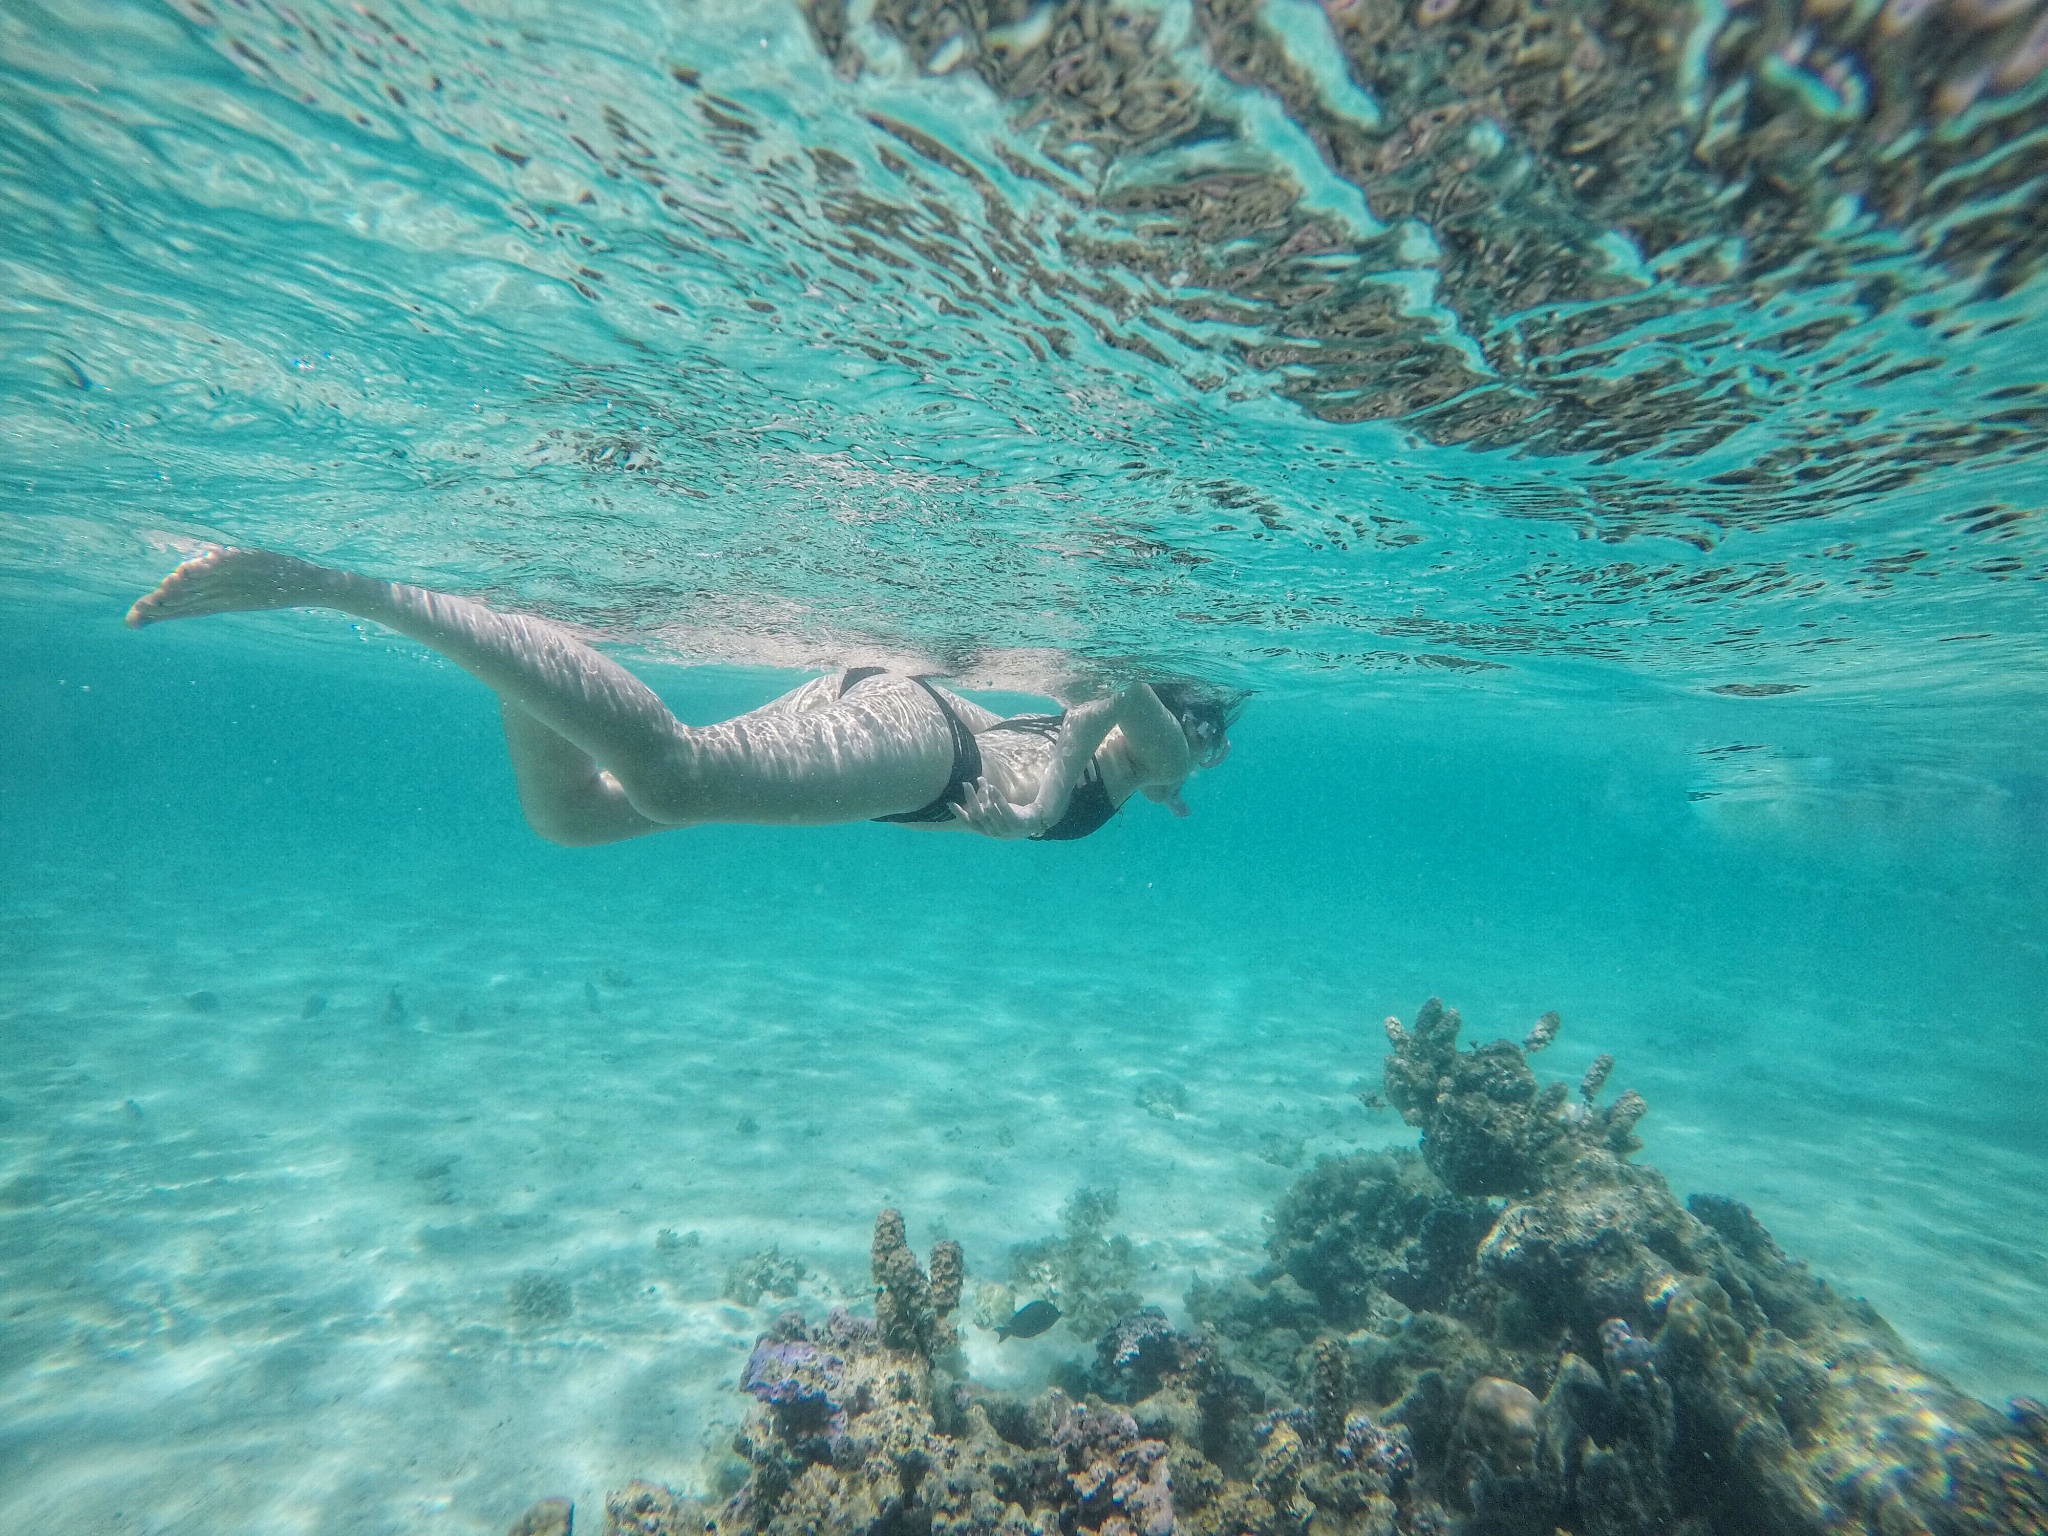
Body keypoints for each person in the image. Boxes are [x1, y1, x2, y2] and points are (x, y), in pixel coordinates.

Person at [127, 546, 1239, 846]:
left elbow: (1107, 711)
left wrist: (1094, 765)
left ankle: (519, 631)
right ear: (1192, 729)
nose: (1207, 762)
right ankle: (349, 592)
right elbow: (1114, 693)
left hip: (906, 742)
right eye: (1212, 738)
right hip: (926, 746)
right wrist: (1079, 772)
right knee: (674, 780)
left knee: (577, 816)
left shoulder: (1135, 768)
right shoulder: (1157, 750)